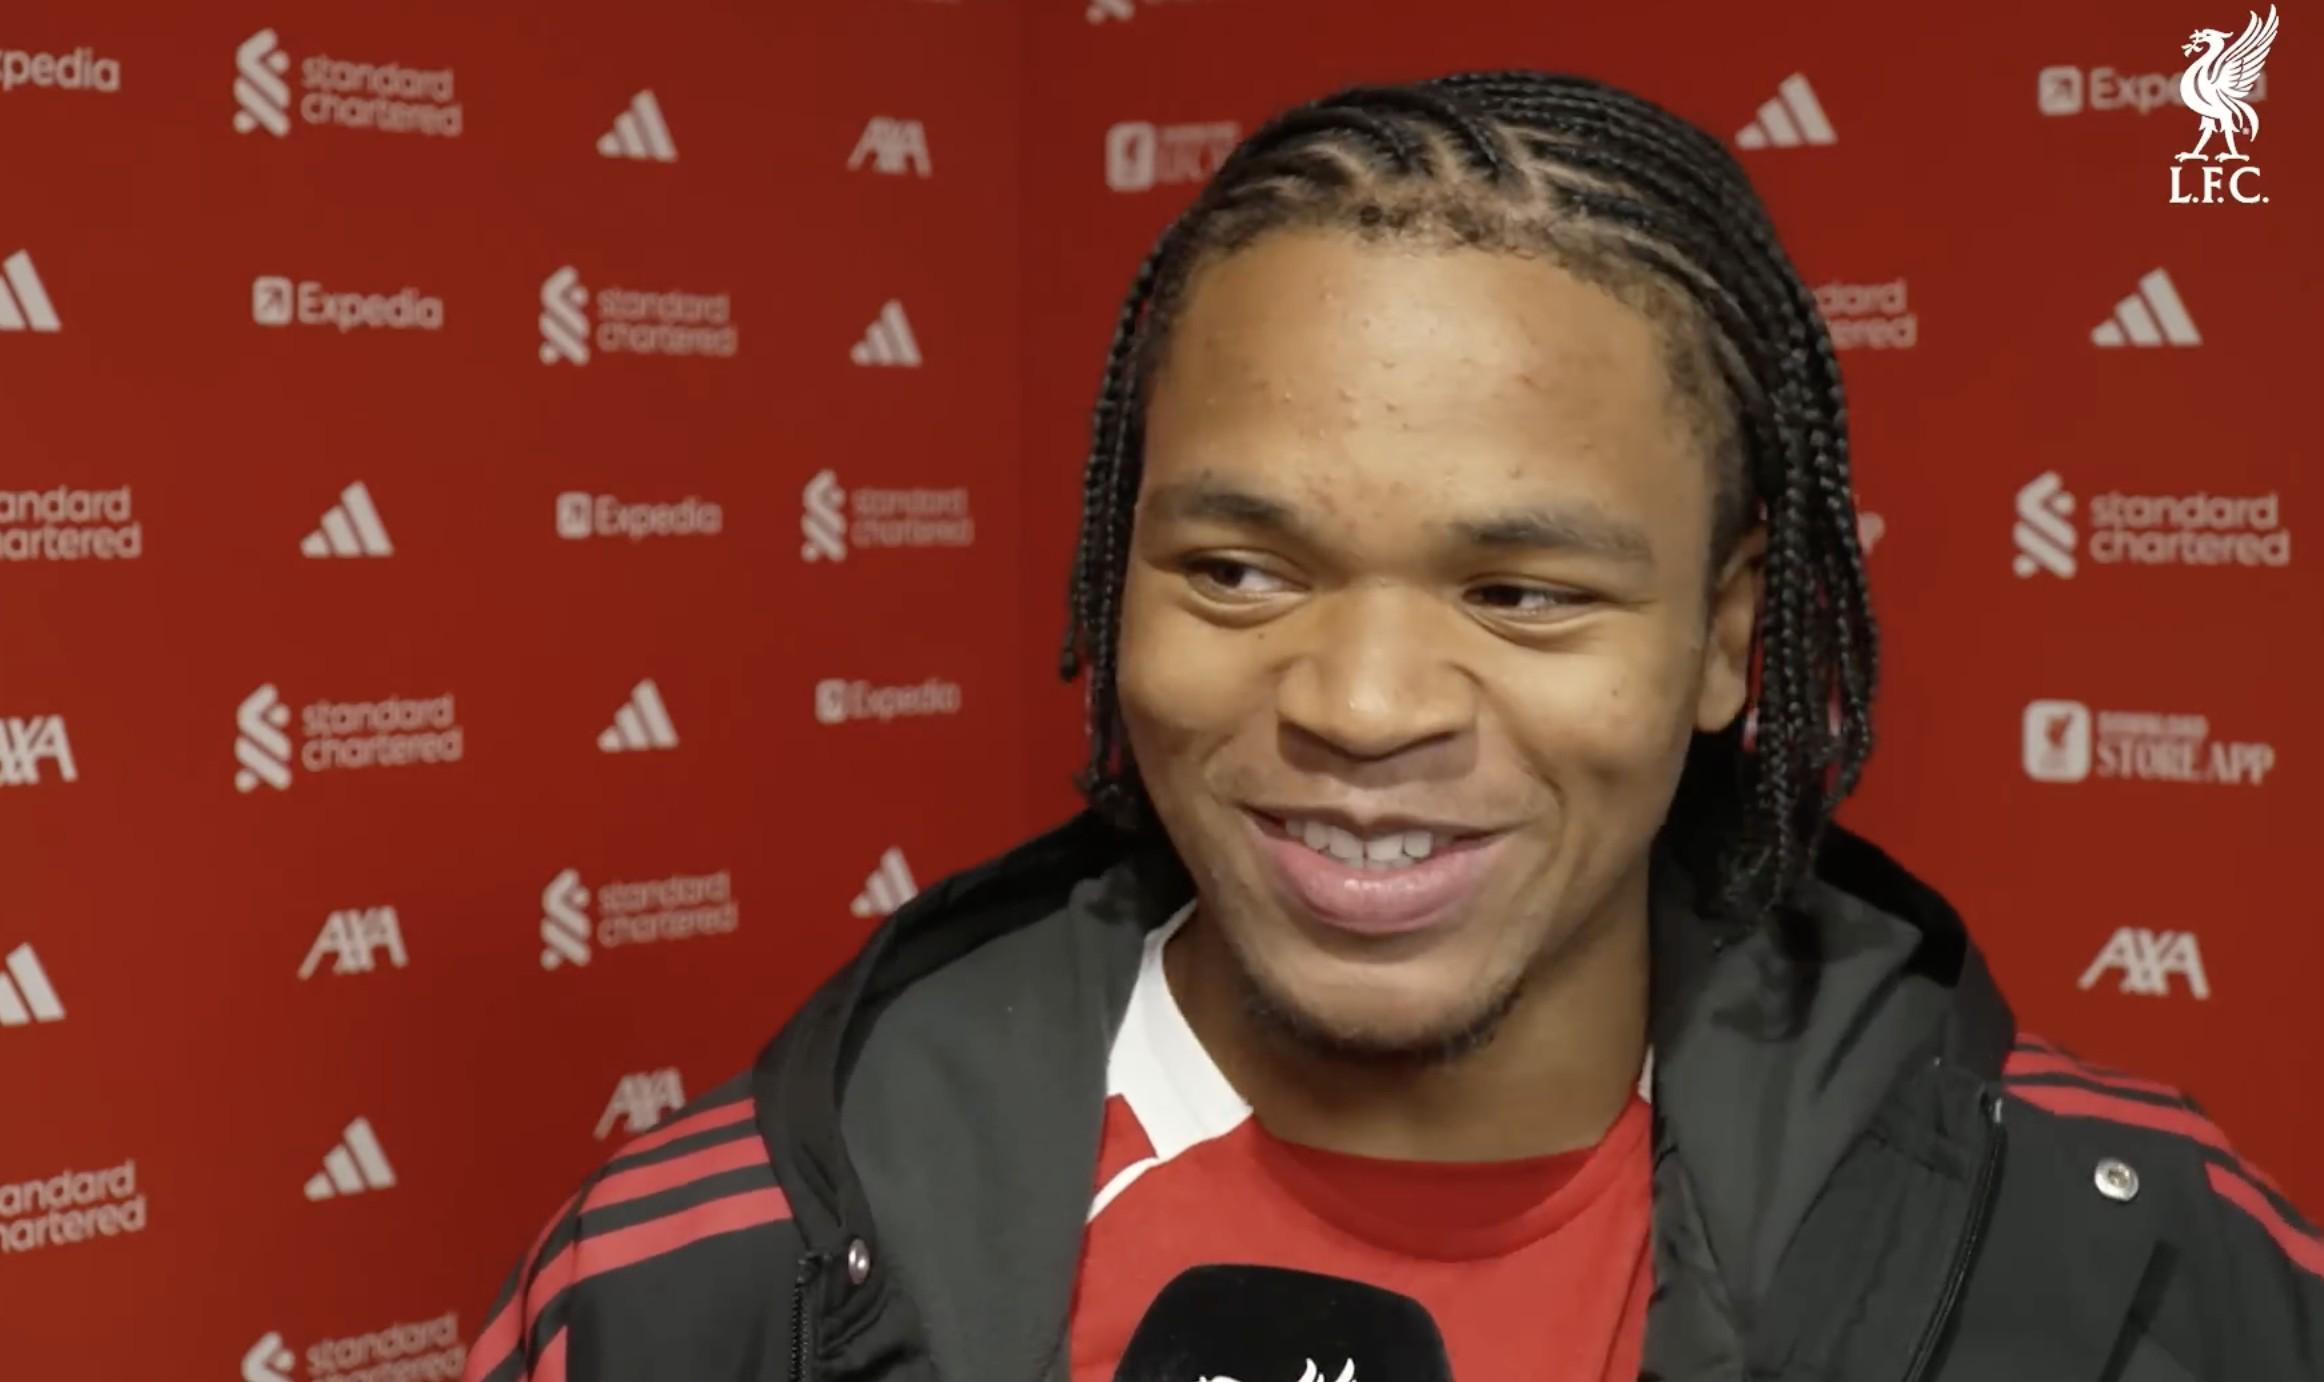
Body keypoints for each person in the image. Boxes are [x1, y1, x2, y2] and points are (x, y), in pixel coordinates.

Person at [461, 70, 2321, 1382]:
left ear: (1726, 639)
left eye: (1521, 593)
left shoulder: (2141, 1264)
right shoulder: (696, 1288)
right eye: (1238, 571)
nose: (1360, 707)